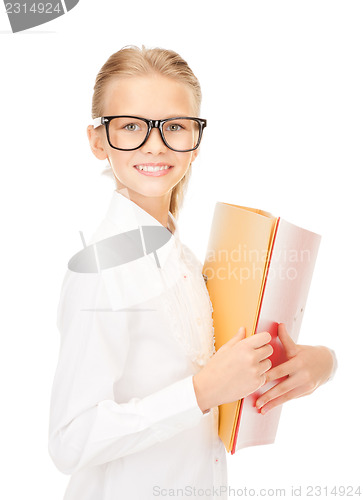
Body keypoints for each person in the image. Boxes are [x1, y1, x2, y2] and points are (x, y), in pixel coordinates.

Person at [48, 45, 337, 500]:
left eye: (175, 127)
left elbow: (226, 369)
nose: (155, 144)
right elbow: (69, 441)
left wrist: (320, 363)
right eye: (130, 126)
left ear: (196, 142)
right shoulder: (100, 270)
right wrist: (201, 392)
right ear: (98, 140)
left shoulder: (184, 258)